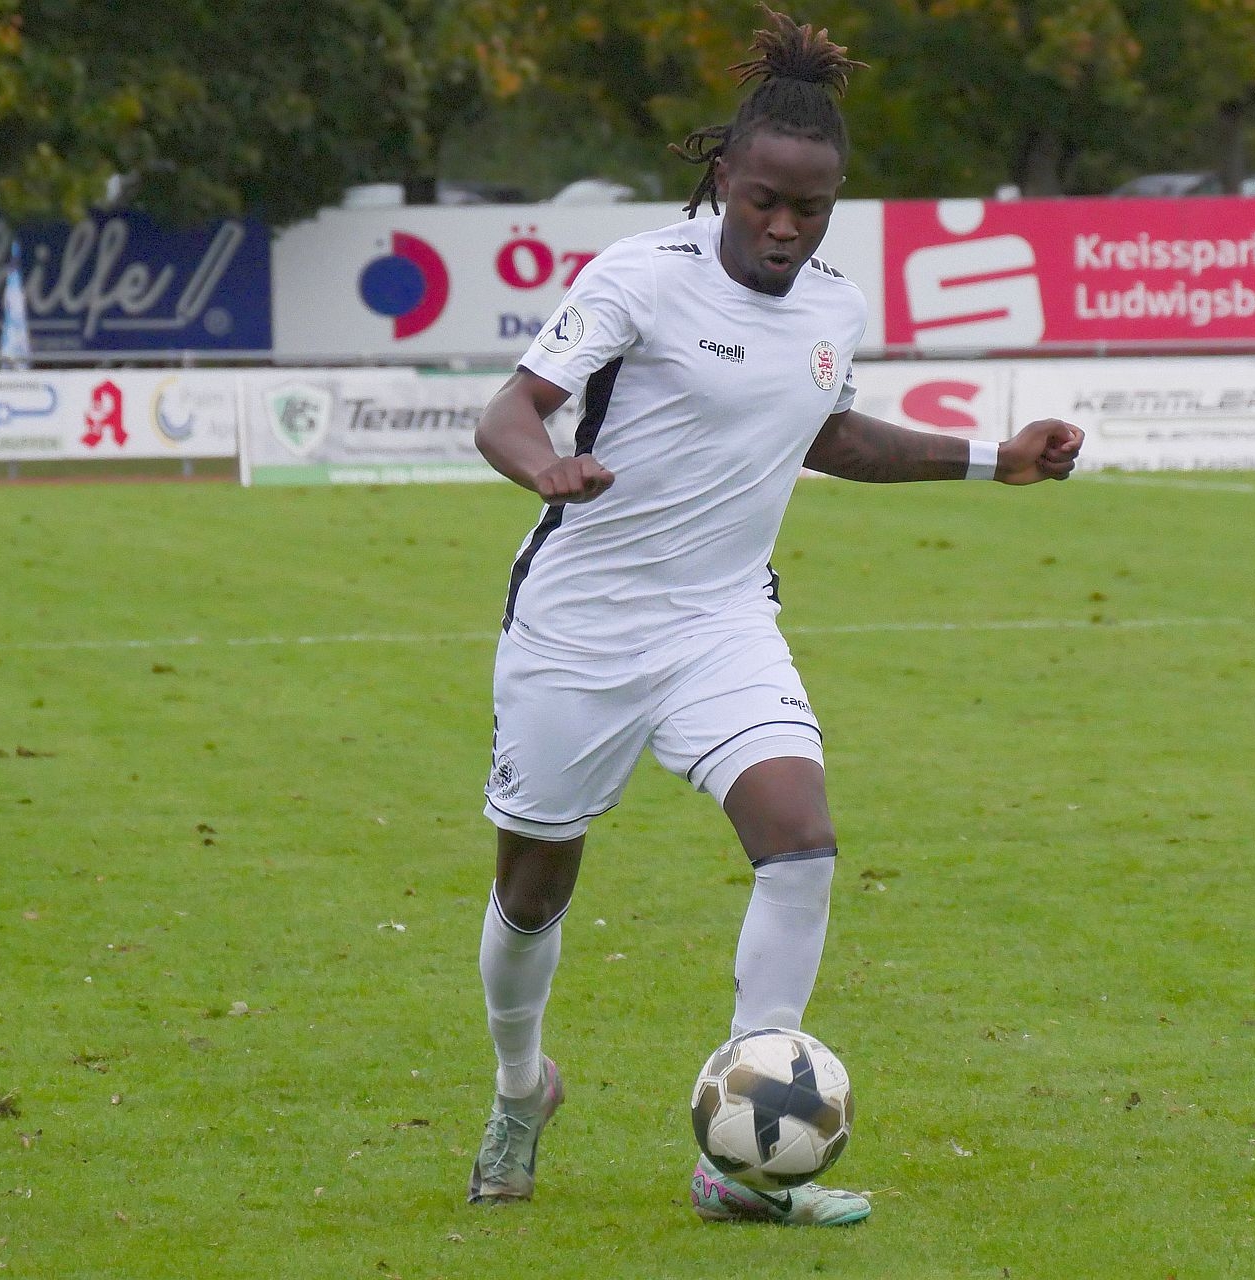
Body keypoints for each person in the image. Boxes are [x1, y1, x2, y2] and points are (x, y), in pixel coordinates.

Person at [463, 7, 1085, 1226]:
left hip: (721, 622)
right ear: (724, 181)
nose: (785, 228)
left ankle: (740, 1155)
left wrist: (994, 460)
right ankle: (521, 1085)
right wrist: (547, 466)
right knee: (532, 887)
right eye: (763, 202)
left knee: (800, 838)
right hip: (581, 624)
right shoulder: (640, 275)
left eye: (810, 209)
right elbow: (509, 410)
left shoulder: (831, 310)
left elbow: (830, 435)